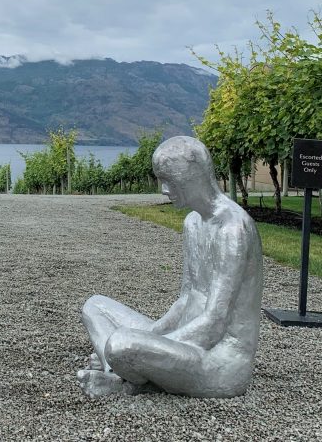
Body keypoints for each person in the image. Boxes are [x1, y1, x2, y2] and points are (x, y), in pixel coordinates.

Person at [78, 136, 263, 398]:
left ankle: (123, 375)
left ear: (193, 176)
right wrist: (150, 340)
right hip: (185, 340)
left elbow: (215, 323)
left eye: (169, 180)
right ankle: (123, 371)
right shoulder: (193, 222)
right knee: (94, 306)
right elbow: (185, 299)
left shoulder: (232, 229)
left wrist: (144, 348)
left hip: (219, 359)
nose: (164, 189)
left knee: (120, 344)